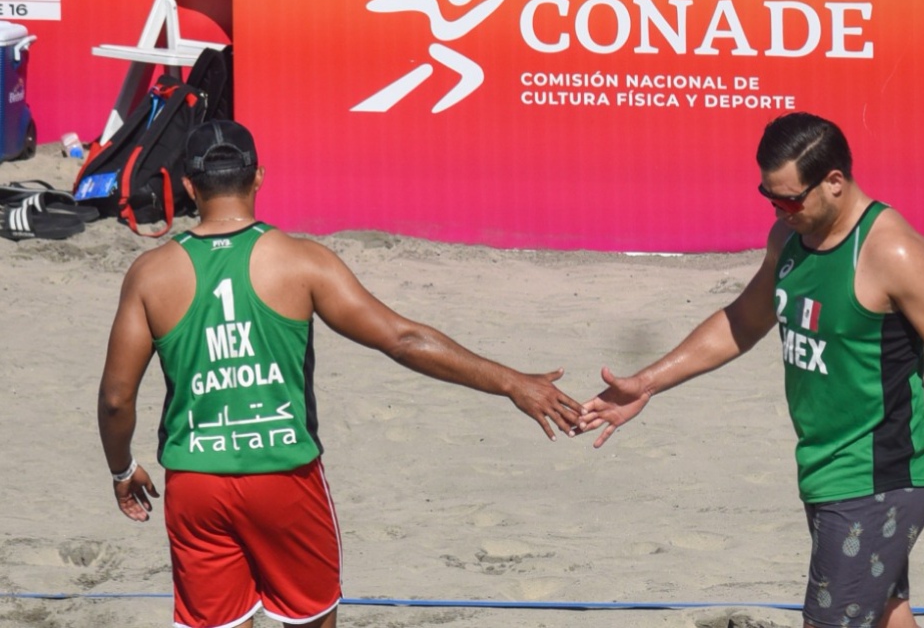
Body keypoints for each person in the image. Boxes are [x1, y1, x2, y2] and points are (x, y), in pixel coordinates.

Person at [97, 119, 583, 628]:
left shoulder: (150, 273)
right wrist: (513, 382)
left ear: (190, 186)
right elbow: (403, 339)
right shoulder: (303, 262)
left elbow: (115, 398)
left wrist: (121, 469)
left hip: (196, 482)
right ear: (258, 177)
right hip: (283, 473)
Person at [579, 112, 924, 628]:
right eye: (769, 197)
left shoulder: (892, 252)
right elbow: (743, 320)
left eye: (790, 198)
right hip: (824, 468)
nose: (780, 209)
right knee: (888, 615)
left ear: (834, 182)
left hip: (877, 479)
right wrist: (647, 382)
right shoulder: (788, 239)